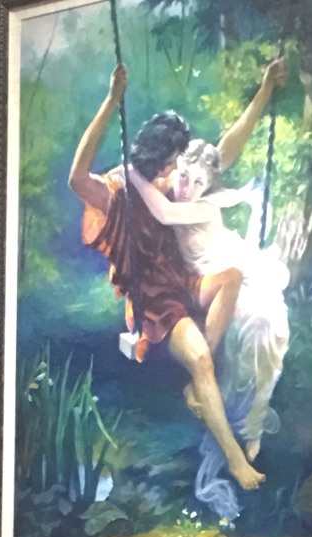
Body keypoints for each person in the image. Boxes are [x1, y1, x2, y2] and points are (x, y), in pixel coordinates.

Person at [69, 66, 264, 493]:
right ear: (159, 159)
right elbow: (77, 177)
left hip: (185, 279)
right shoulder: (119, 190)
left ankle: (199, 379)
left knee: (231, 278)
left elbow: (222, 155)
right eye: (175, 163)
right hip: (156, 299)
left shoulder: (171, 178)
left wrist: (264, 92)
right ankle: (234, 459)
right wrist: (111, 101)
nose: (179, 173)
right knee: (200, 359)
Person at [129, 135, 291, 466]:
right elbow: (226, 158)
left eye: (198, 183)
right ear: (177, 167)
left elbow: (166, 213)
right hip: (211, 281)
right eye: (184, 176)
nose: (187, 187)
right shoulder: (172, 189)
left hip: (233, 268)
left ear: (207, 186)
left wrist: (130, 173)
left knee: (267, 328)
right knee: (255, 329)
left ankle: (253, 422)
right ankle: (237, 414)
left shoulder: (198, 206)